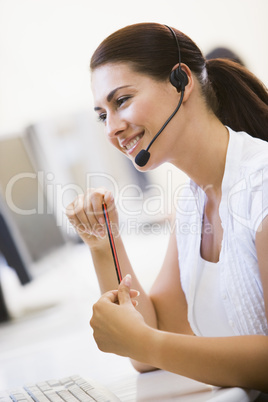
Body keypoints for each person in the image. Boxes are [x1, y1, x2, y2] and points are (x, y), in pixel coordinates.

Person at [65, 22, 268, 392]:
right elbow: (150, 341)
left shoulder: (261, 183)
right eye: (101, 114)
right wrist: (104, 243)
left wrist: (145, 343)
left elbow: (148, 343)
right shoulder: (194, 202)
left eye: (121, 100)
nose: (111, 128)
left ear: (181, 82)